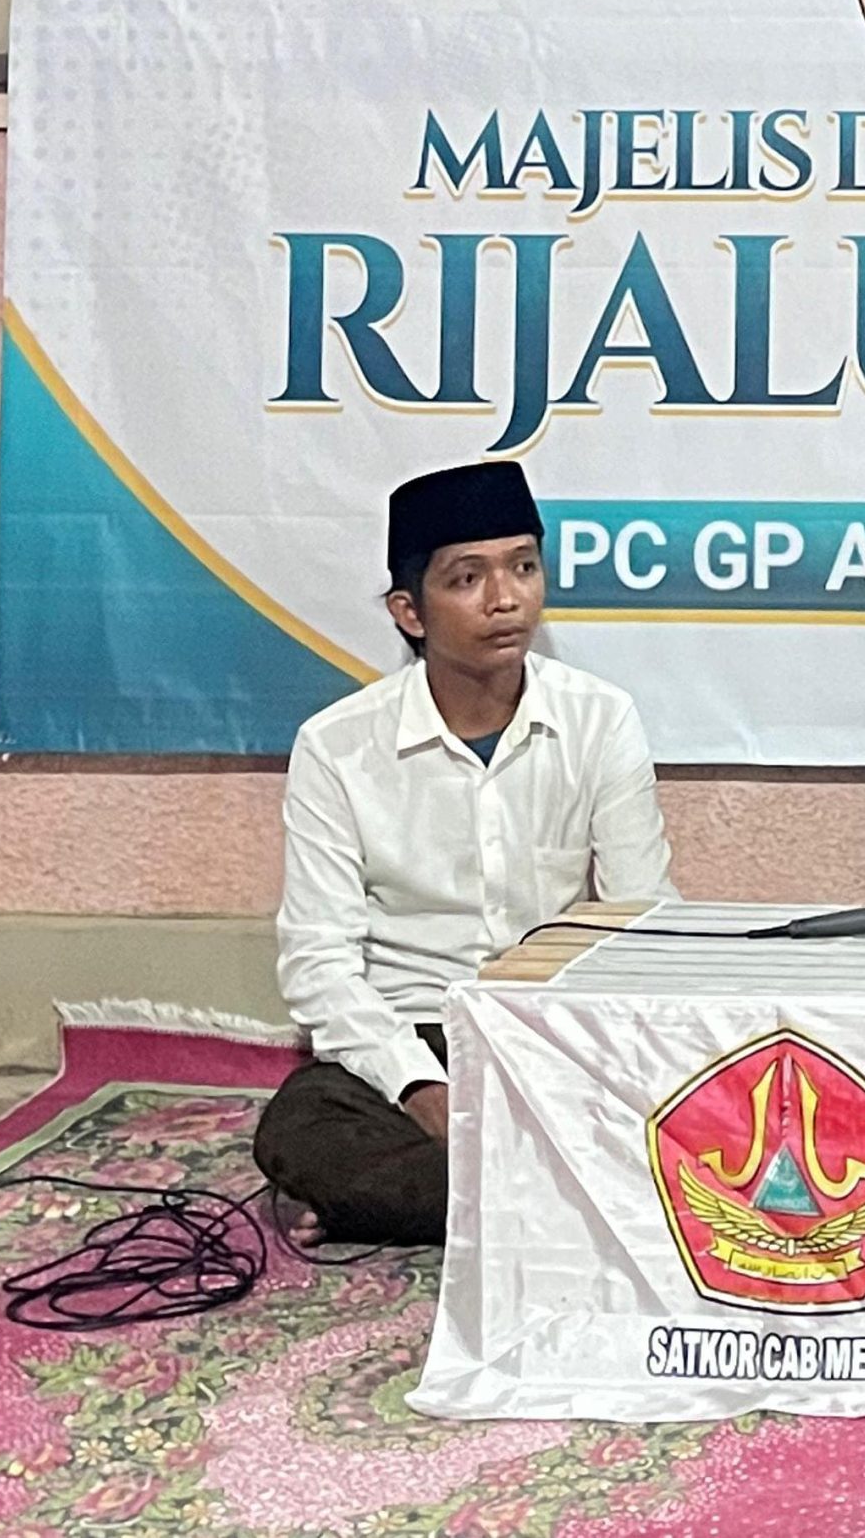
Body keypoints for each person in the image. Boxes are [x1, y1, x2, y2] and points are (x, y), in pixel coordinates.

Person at [254, 461, 679, 1243]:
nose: (505, 598)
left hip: (551, 1029)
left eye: (524, 567)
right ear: (410, 611)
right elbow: (320, 964)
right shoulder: (337, 747)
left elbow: (641, 917)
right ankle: (568, 1193)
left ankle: (417, 1202)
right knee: (299, 1125)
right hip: (413, 1035)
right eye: (468, 578)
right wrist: (420, 1087)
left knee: (681, 1098)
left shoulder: (600, 718)